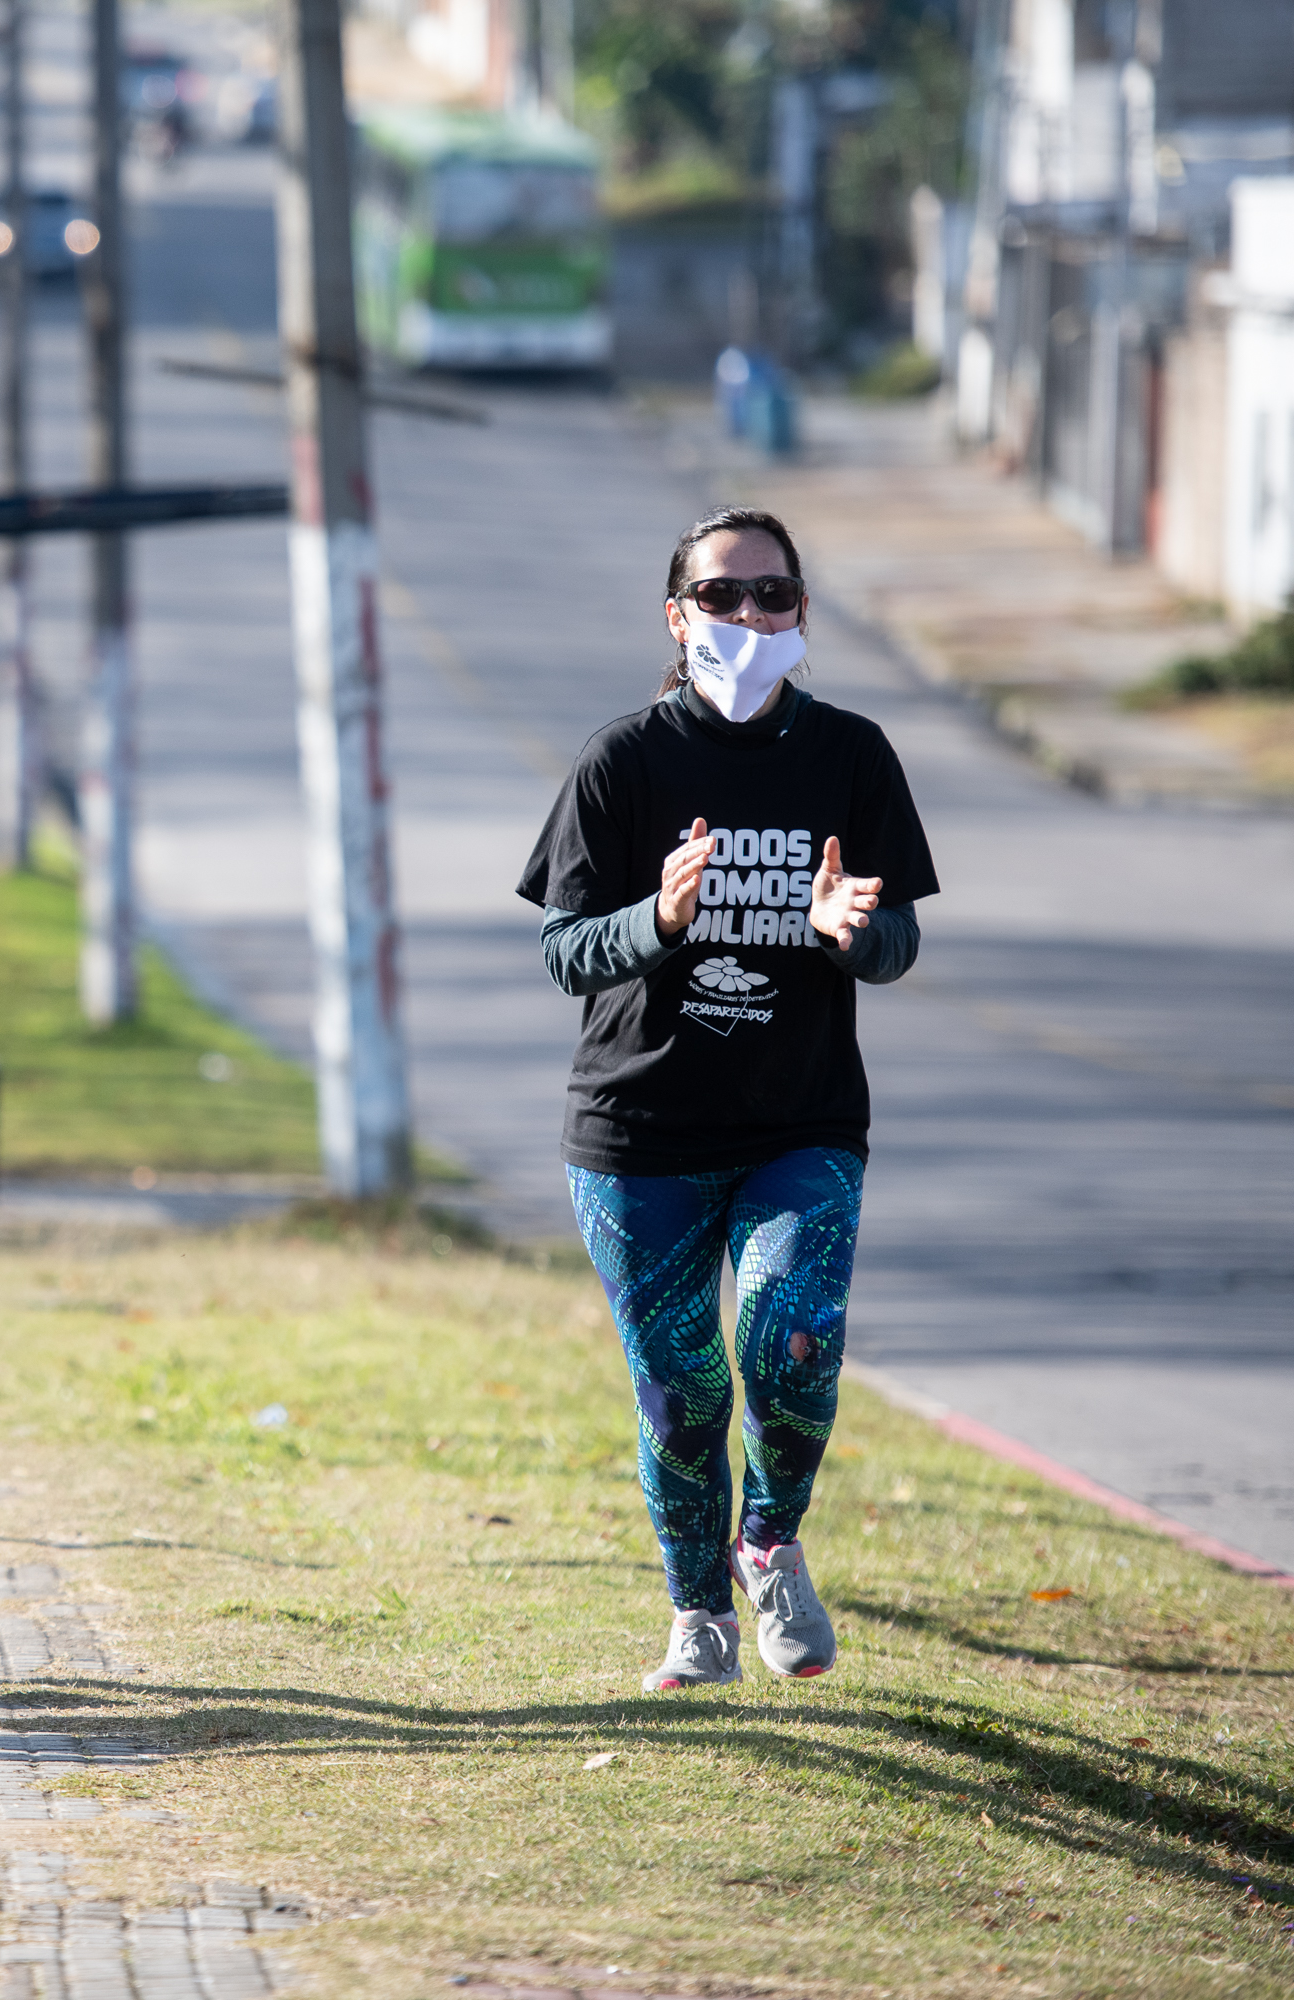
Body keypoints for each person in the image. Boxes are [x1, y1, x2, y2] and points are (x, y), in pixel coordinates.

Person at [516, 505, 939, 1693]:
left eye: (773, 596)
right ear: (676, 613)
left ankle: (769, 1540)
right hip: (635, 1135)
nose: (749, 616)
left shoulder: (850, 755)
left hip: (798, 1121)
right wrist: (657, 917)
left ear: (802, 612)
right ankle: (696, 1610)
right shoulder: (623, 762)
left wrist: (857, 932)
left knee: (790, 1332)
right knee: (681, 1387)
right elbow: (562, 952)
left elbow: (897, 937)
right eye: (721, 595)